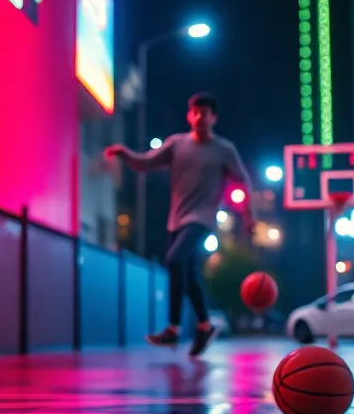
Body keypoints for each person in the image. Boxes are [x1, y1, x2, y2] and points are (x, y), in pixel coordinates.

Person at [106, 92, 254, 357]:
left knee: (175, 260)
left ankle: (172, 328)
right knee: (189, 273)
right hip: (176, 219)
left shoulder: (224, 150)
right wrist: (125, 154)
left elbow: (242, 181)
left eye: (205, 112)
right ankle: (204, 325)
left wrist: (248, 215)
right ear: (189, 116)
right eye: (195, 112)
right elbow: (145, 163)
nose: (199, 117)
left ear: (214, 118)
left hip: (203, 217)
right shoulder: (177, 144)